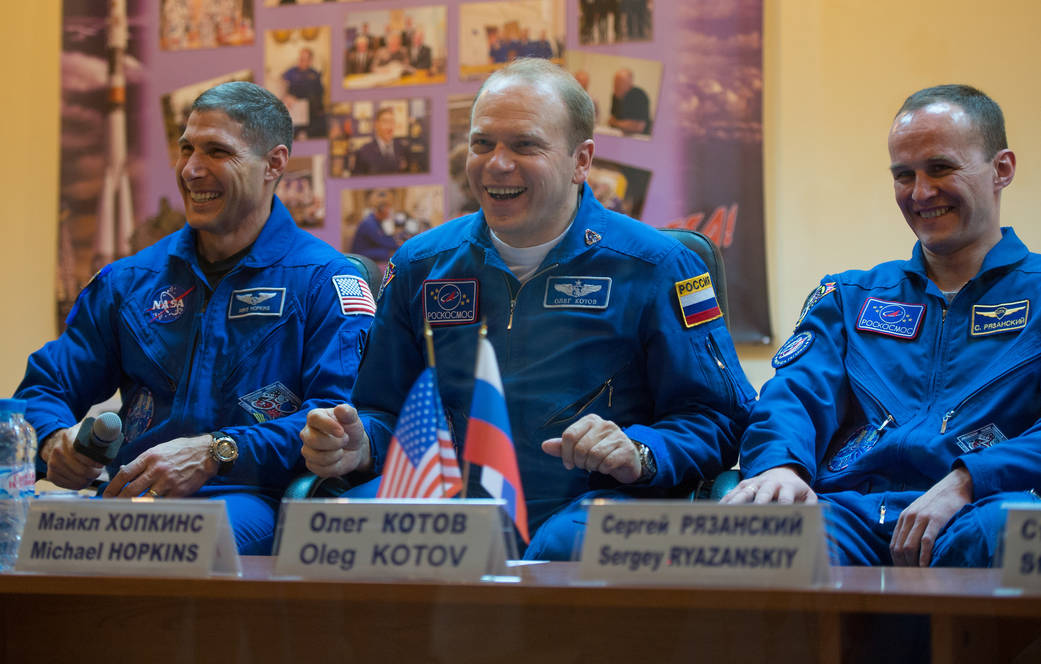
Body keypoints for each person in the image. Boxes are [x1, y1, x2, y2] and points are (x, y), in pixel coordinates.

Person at [300, 58, 754, 560]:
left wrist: (641, 450)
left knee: (561, 546)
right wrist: (359, 445)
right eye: (482, 143)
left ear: (581, 160)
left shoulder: (660, 266)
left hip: (588, 505)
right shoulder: (419, 265)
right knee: (328, 530)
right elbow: (384, 410)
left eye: (524, 145)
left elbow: (720, 417)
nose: (496, 163)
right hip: (450, 505)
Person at [16, 81, 373, 554]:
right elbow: (44, 386)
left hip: (250, 499)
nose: (191, 169)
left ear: (275, 163)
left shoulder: (324, 282)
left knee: (156, 551)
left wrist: (215, 452)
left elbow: (336, 422)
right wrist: (52, 440)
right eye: (186, 149)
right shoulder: (130, 280)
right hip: (129, 501)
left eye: (217, 152)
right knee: (27, 545)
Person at [723, 84, 1040, 568]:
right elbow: (792, 396)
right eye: (903, 175)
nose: (920, 192)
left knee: (1011, 531)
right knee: (760, 535)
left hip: (984, 510)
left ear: (1002, 169)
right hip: (851, 518)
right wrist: (780, 468)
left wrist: (969, 479)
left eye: (940, 168)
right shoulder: (852, 298)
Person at [281, 47, 326, 138]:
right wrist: (286, 96)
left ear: (310, 60)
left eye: (304, 59)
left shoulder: (315, 75)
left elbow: (319, 97)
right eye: (300, 58)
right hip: (293, 112)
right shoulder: (291, 72)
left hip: (310, 115)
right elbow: (281, 84)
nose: (301, 61)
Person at [353, 107, 408, 175]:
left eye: (392, 121)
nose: (389, 126)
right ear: (376, 125)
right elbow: (357, 182)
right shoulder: (364, 152)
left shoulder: (402, 148)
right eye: (385, 122)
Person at [350, 189, 399, 263]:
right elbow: (381, 241)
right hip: (361, 253)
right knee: (387, 253)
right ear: (381, 211)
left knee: (389, 250)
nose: (389, 214)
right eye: (387, 211)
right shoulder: (369, 224)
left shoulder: (376, 222)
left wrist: (396, 242)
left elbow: (383, 237)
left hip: (369, 249)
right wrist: (398, 245)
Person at [608, 68, 652, 135]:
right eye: (615, 82)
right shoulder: (615, 96)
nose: (616, 86)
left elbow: (639, 127)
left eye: (620, 83)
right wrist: (625, 124)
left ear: (629, 84)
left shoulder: (640, 95)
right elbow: (611, 120)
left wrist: (617, 123)